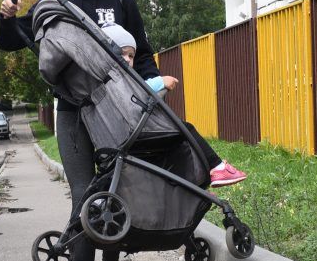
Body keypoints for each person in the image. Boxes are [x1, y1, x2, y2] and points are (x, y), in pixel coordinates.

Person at [0, 0, 155, 261]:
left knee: (118, 193)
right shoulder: (55, 4)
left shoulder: (121, 0)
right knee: (85, 199)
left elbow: (144, 55)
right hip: (73, 114)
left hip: (119, 113)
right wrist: (4, 18)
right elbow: (12, 40)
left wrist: (154, 89)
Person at [99, 23, 247, 188]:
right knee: (184, 130)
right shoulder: (115, 77)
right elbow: (139, 90)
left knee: (173, 145)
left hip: (119, 134)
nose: (127, 59)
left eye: (131, 55)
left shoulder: (100, 79)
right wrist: (160, 81)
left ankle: (194, 184)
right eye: (121, 53)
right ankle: (217, 167)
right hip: (135, 131)